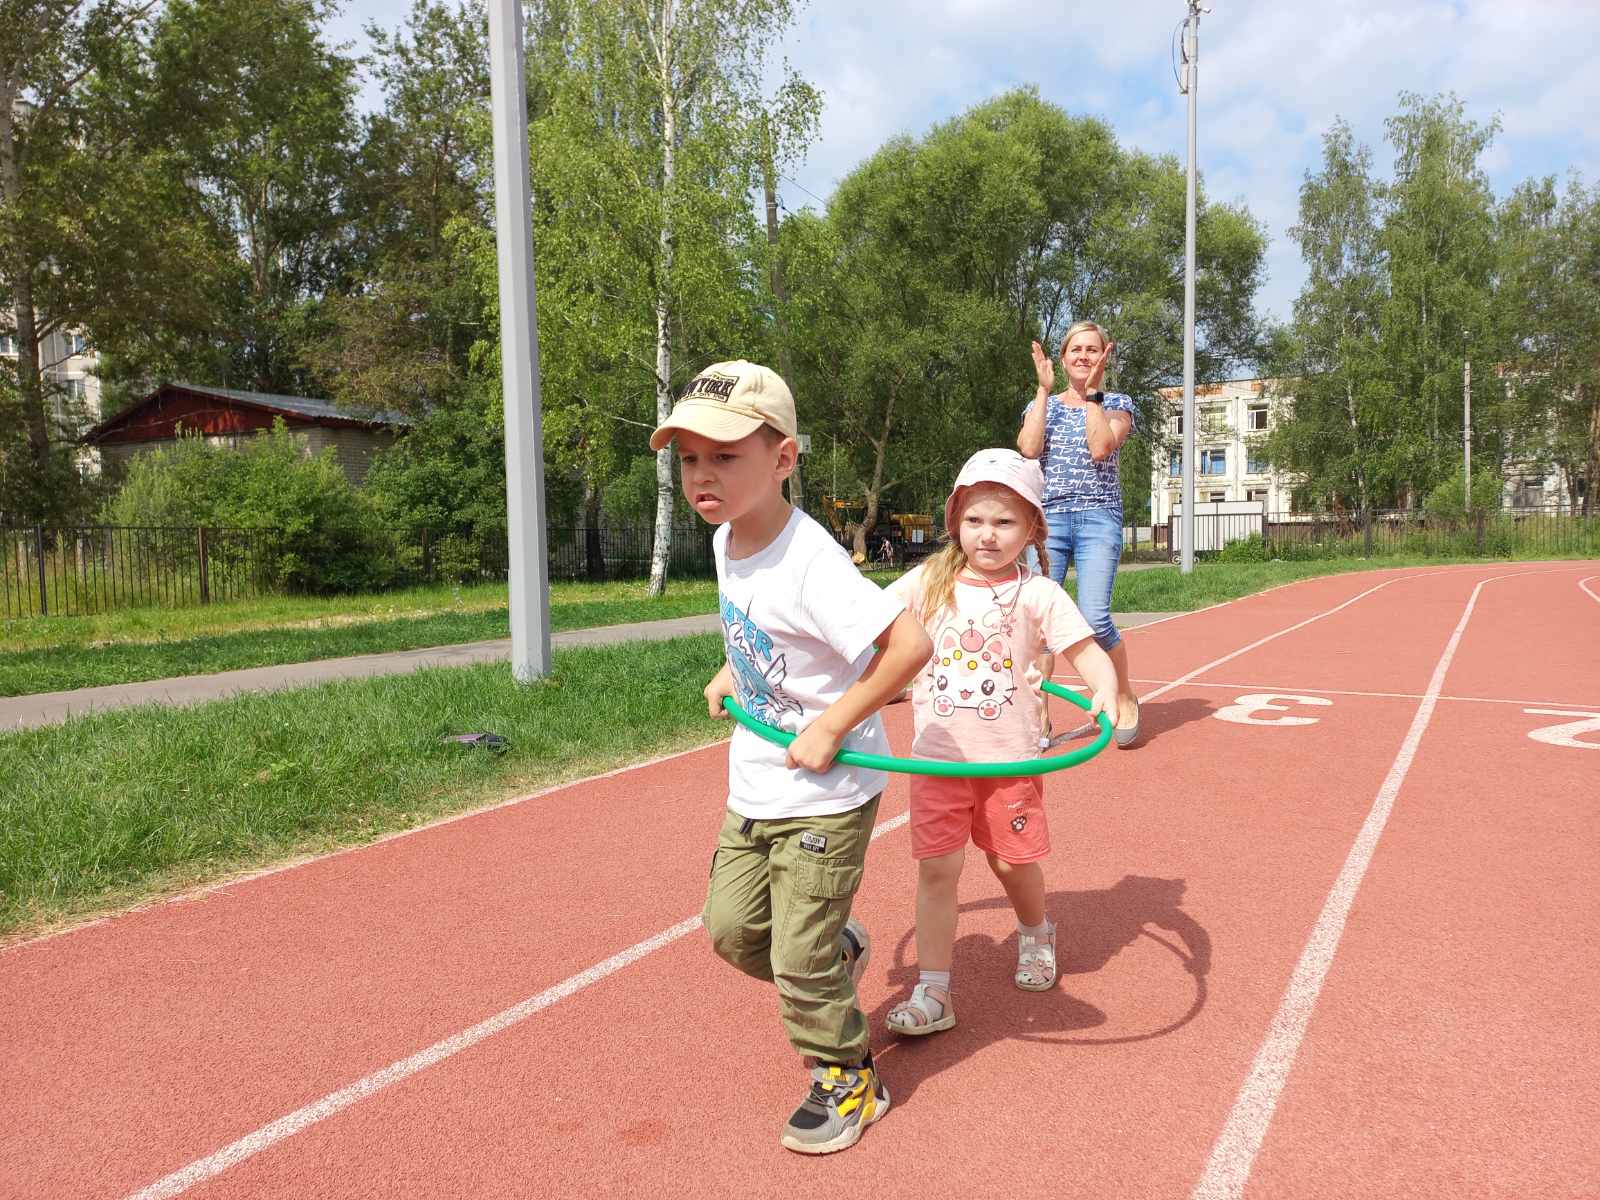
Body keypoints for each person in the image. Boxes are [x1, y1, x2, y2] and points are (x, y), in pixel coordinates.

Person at [650, 360, 933, 1155]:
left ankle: (850, 1077)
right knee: (732, 933)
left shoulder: (811, 562)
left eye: (724, 456)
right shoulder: (724, 538)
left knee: (797, 959)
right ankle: (837, 952)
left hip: (827, 792)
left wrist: (834, 724)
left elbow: (910, 646)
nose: (702, 475)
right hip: (755, 781)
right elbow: (757, 625)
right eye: (689, 458)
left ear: (782, 459)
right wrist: (730, 669)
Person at [881, 448, 1118, 1036]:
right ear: (955, 521)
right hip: (938, 760)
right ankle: (934, 989)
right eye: (975, 520)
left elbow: (1085, 650)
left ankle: (1036, 932)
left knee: (1012, 863)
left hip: (1008, 761)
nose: (987, 534)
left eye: (1005, 521)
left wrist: (1106, 689)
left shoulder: (1039, 594)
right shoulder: (927, 582)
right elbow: (862, 623)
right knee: (938, 870)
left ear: (1032, 527)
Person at [1017, 320, 1143, 747]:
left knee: (1094, 617)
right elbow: (1028, 449)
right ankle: (1040, 714)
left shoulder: (1117, 403)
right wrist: (1042, 391)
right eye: (1077, 349)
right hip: (1048, 521)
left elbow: (1100, 447)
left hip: (1097, 517)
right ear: (1064, 356)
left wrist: (1092, 394)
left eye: (1093, 349)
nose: (1084, 356)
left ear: (1104, 357)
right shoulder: (1043, 405)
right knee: (1039, 623)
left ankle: (1122, 693)